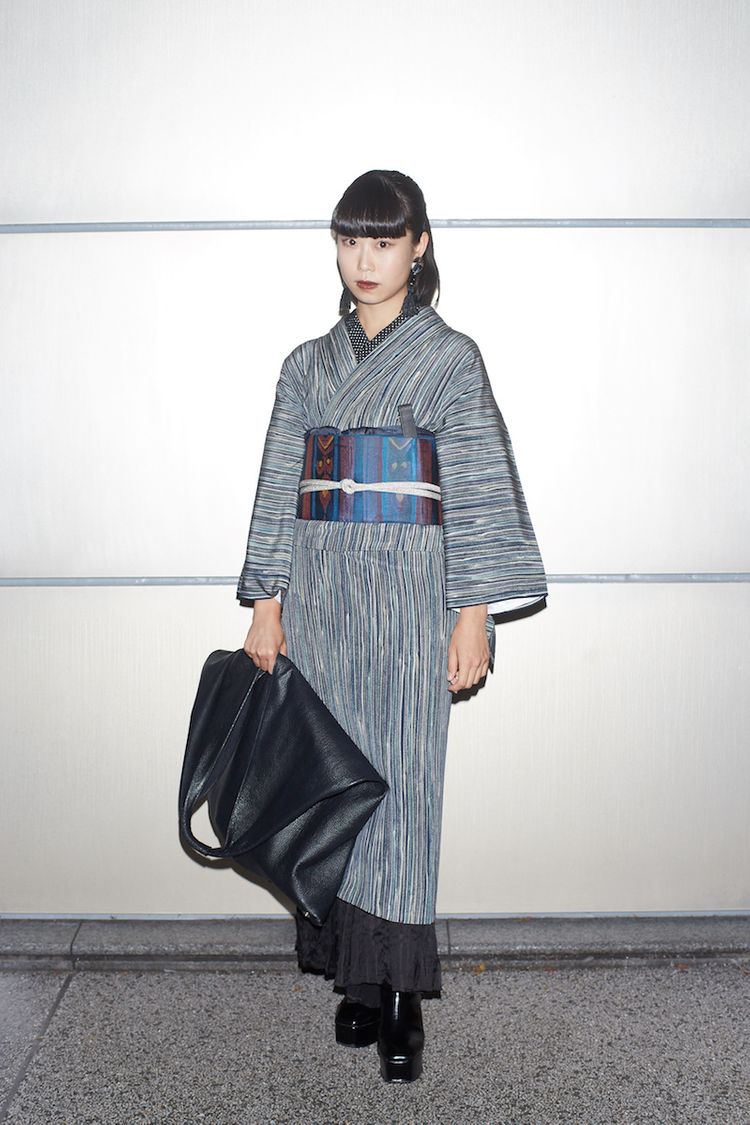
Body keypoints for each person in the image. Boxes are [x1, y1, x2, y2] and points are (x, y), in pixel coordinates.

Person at [237, 169, 547, 1083]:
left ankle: (403, 993)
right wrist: (267, 603)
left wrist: (472, 614)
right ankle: (357, 979)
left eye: (383, 240)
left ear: (419, 246)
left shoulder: (450, 359)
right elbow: (277, 486)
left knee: (403, 790)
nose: (365, 259)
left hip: (414, 602)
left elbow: (477, 489)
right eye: (350, 240)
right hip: (324, 601)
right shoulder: (306, 365)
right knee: (331, 786)